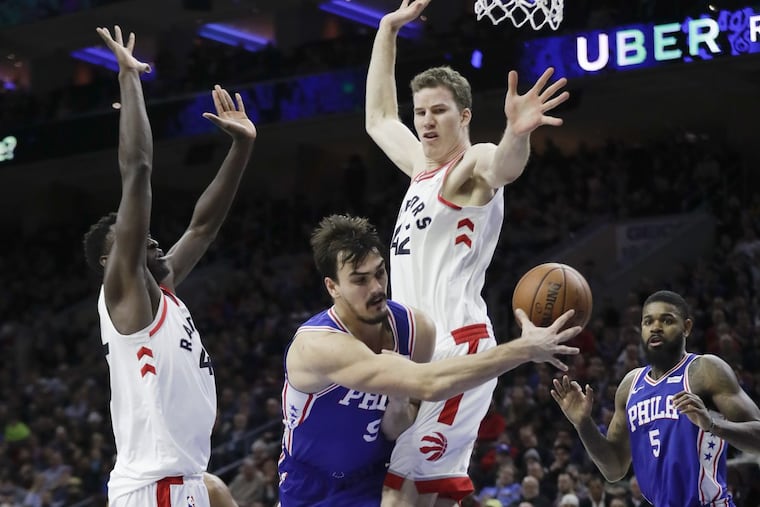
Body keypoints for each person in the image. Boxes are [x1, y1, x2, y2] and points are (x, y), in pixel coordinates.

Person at [364, 0, 570, 503]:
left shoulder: (468, 164)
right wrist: (387, 29)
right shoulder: (420, 168)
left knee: (402, 492)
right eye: (422, 113)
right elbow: (378, 117)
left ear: (465, 116)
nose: (427, 122)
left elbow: (501, 167)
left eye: (439, 111)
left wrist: (516, 134)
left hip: (459, 344)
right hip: (414, 348)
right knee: (413, 488)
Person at [278, 214, 580, 506]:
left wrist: (397, 401)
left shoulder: (416, 330)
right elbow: (431, 383)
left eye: (379, 273)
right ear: (333, 287)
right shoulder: (317, 346)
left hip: (376, 475)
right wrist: (524, 349)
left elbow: (397, 426)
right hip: (311, 484)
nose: (376, 289)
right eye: (359, 280)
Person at [82, 25, 256, 506]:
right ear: (110, 261)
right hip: (155, 490)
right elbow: (137, 170)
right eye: (135, 239)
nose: (152, 239)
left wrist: (241, 148)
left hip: (180, 481)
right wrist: (129, 76)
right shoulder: (127, 296)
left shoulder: (163, 293)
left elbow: (203, 228)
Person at [552, 290, 760, 507]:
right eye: (648, 322)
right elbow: (614, 469)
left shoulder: (705, 370)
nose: (656, 327)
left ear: (686, 327)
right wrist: (583, 424)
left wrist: (712, 425)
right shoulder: (630, 385)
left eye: (667, 320)